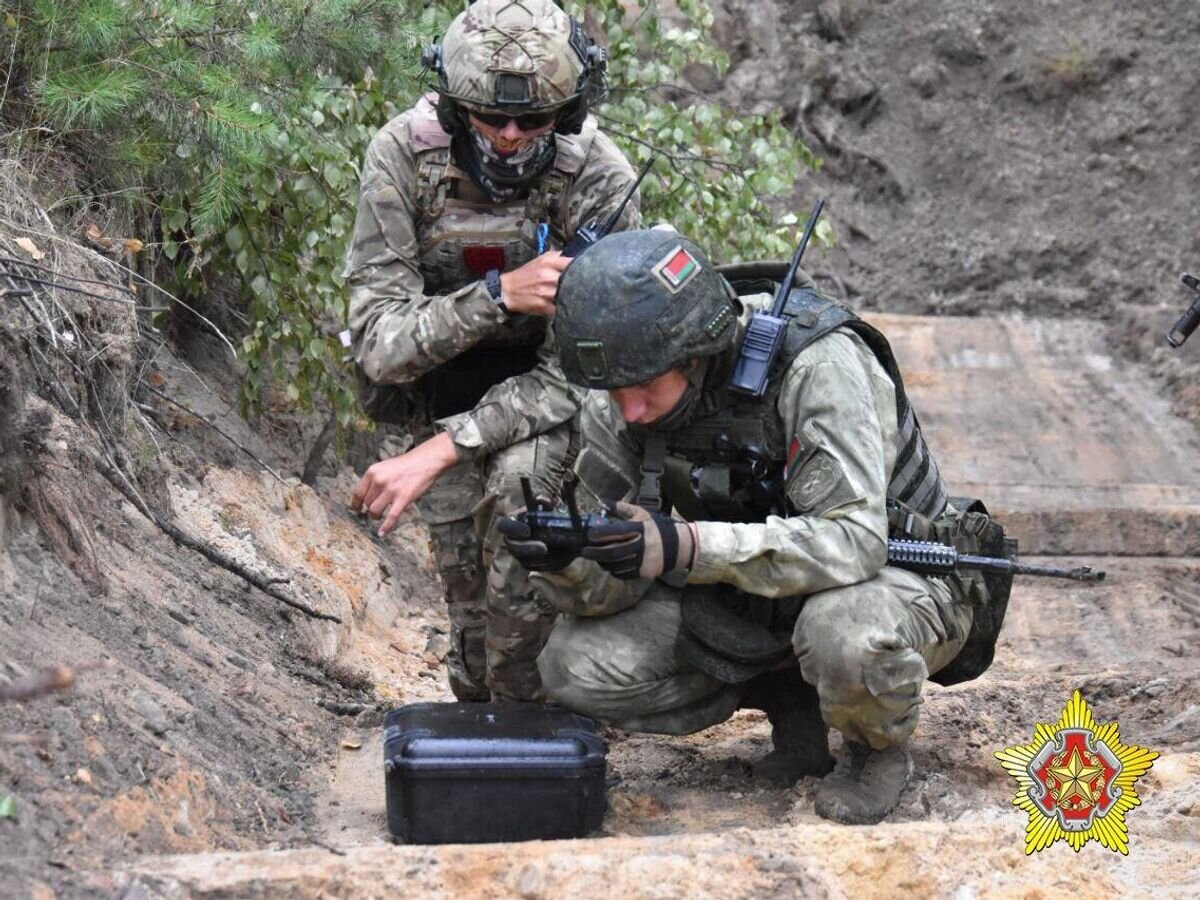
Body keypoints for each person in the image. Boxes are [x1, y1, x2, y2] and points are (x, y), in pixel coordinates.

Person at [500, 229, 1010, 824]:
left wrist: (687, 545)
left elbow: (856, 542)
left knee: (845, 635)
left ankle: (875, 749)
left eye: (642, 390)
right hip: (756, 585)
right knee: (573, 666)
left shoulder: (819, 364)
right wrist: (570, 557)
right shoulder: (623, 382)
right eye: (614, 392)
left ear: (694, 354)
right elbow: (612, 582)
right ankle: (793, 700)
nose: (629, 410)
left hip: (900, 571)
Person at [345, 0, 642, 702]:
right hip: (440, 392)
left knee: (520, 491)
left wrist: (445, 450)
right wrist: (499, 296)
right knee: (474, 647)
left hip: (554, 409)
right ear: (453, 107)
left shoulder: (597, 178)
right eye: (490, 117)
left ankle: (535, 718)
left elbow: (593, 367)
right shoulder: (402, 158)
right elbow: (381, 347)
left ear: (565, 115)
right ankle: (491, 711)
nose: (510, 136)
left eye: (533, 120)